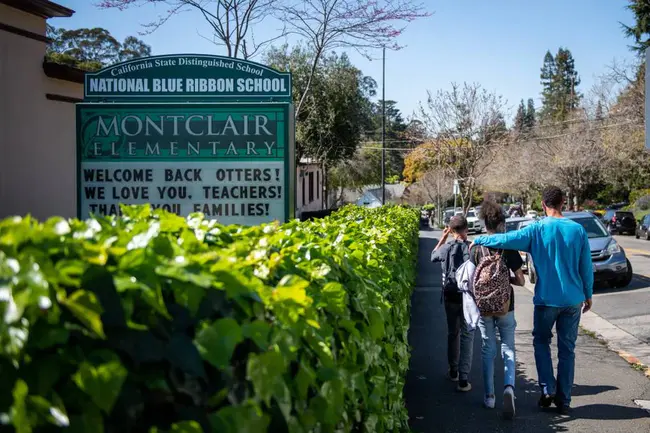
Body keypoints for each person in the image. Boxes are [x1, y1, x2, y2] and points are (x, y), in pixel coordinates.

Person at [472, 186, 593, 415]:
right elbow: (586, 267)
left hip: (547, 298)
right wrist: (588, 294)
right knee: (567, 349)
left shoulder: (536, 229)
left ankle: (547, 388)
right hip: (573, 300)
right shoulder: (577, 230)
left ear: (543, 204)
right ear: (563, 203)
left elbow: (507, 239)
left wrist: (478, 239)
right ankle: (564, 399)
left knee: (541, 343)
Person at [471, 201, 526, 418]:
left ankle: (489, 397)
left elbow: (473, 279)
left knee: (487, 348)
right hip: (506, 305)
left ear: (484, 223)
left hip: (483, 306)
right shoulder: (508, 247)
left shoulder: (475, 248)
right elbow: (521, 281)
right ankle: (509, 388)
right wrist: (506, 279)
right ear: (501, 222)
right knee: (508, 347)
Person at [431, 215, 475, 392]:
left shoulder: (446, 247)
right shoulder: (471, 247)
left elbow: (433, 256)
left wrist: (443, 237)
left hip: (450, 296)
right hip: (467, 297)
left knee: (453, 333)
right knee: (468, 335)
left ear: (451, 230)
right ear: (466, 230)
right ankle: (464, 379)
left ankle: (453, 370)